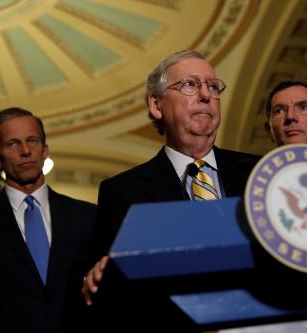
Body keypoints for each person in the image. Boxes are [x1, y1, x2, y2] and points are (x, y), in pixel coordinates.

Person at [82, 50, 260, 330]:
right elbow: (105, 288)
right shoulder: (123, 193)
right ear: (156, 104)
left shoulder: (259, 174)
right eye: (190, 84)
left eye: (213, 87)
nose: (205, 95)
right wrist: (98, 279)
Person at [0, 107, 96, 333]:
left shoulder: (88, 217)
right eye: (12, 144)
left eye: (32, 140)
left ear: (45, 150)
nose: (25, 151)